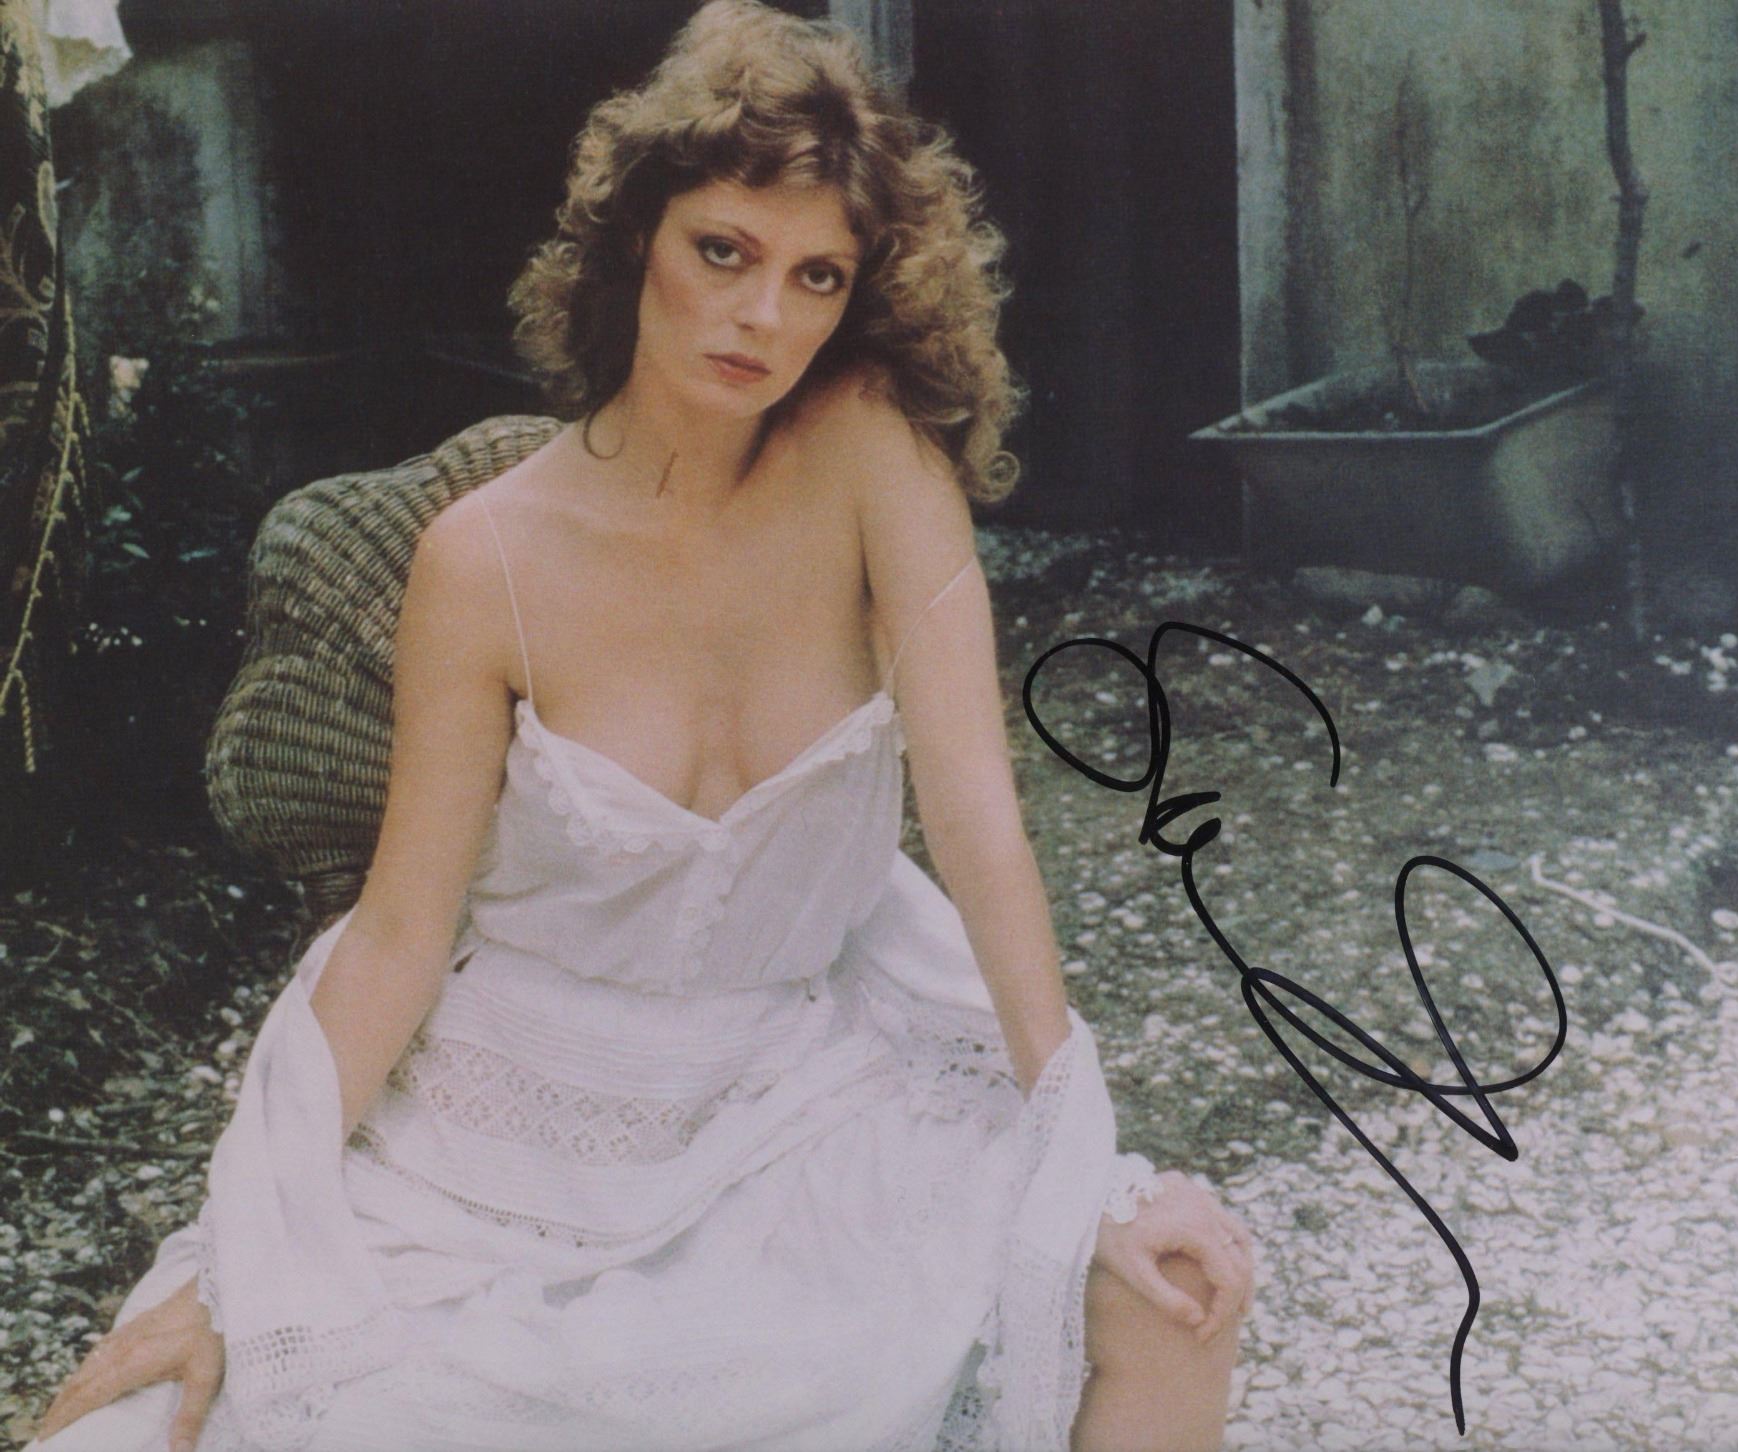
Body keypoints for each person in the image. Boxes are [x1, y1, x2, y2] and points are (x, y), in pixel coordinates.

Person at [31, 3, 1253, 1449]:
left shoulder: (871, 454)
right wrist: (245, 1258)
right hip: (504, 1127)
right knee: (171, 1418)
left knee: (1169, 1296)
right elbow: (400, 933)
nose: (763, 316)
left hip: (800, 1089)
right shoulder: (483, 559)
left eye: (816, 276)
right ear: (634, 241)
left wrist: (1082, 1164)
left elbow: (979, 816)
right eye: (722, 251)